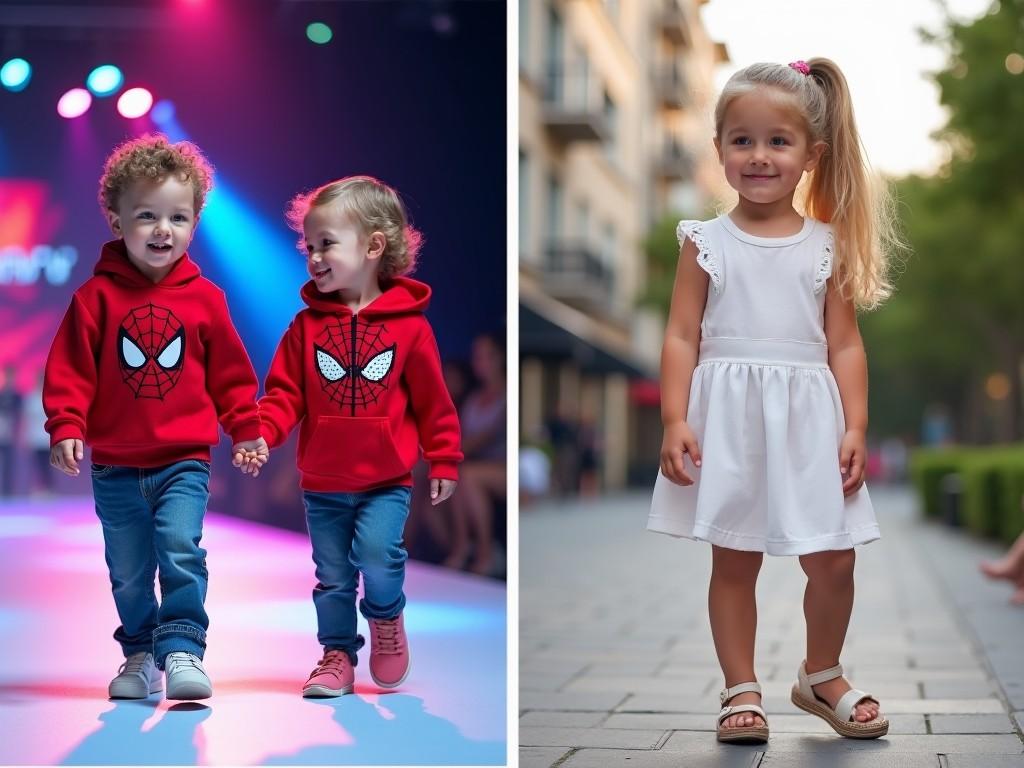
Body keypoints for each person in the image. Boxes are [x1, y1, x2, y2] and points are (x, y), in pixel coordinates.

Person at [647, 59, 900, 743]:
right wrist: (675, 417)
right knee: (734, 557)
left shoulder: (827, 246)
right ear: (720, 150)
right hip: (728, 419)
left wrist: (856, 424)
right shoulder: (704, 243)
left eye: (777, 142)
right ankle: (740, 689)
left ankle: (821, 674)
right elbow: (679, 335)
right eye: (742, 140)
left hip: (810, 421)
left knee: (836, 557)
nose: (759, 156)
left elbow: (844, 344)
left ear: (812, 155)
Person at [43, 134, 267, 701]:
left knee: (181, 547)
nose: (163, 229)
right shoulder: (94, 299)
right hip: (114, 464)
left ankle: (183, 646)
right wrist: (66, 425)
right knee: (127, 568)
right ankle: (140, 652)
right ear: (117, 222)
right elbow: (70, 371)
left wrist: (246, 427)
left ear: (195, 224)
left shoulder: (207, 299)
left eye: (178, 217)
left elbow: (231, 375)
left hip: (183, 459)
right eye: (146, 215)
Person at [254, 176, 462, 697]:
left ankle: (387, 618)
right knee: (331, 576)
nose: (315, 256)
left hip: (385, 480)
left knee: (378, 555)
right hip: (322, 482)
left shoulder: (411, 329)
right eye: (310, 245)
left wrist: (444, 460)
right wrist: (261, 433)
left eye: (328, 243)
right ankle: (337, 656)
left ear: (373, 246)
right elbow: (283, 396)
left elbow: (434, 403)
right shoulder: (303, 329)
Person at [443, 333, 506, 575]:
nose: (478, 362)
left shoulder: (506, 398)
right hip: (473, 465)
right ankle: (460, 548)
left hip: (501, 467)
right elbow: (459, 438)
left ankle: (484, 553)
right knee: (453, 475)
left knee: (465, 474)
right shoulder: (473, 399)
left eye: (485, 356)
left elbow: (481, 439)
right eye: (476, 356)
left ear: (500, 357)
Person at [0, 364, 22, 497]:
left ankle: (8, 491)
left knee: (10, 463)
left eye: (11, 375)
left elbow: (19, 416)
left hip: (11, 434)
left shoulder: (18, 397)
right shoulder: (1, 395)